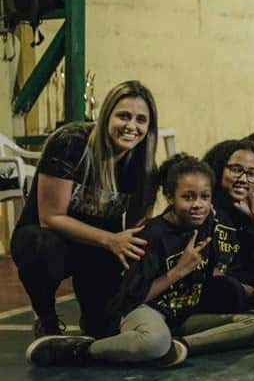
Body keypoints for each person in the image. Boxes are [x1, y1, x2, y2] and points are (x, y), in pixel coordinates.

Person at [26, 155, 254, 367]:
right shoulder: (151, 236)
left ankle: (181, 347)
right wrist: (178, 271)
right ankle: (80, 350)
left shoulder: (206, 222)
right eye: (188, 197)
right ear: (170, 197)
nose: (198, 205)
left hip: (179, 317)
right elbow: (130, 300)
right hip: (144, 311)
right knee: (154, 342)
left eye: (204, 197)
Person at [11, 81, 160, 338]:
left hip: (98, 249)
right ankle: (46, 318)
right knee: (40, 248)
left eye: (141, 120)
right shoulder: (70, 143)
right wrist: (111, 240)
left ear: (149, 127)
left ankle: (97, 318)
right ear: (107, 116)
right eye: (123, 116)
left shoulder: (144, 168)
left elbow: (135, 232)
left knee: (102, 329)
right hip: (51, 238)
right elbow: (51, 217)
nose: (131, 126)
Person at [203, 139, 254, 311]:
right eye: (236, 170)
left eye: (251, 173)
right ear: (220, 169)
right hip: (219, 292)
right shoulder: (206, 207)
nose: (243, 179)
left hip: (247, 292)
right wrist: (247, 291)